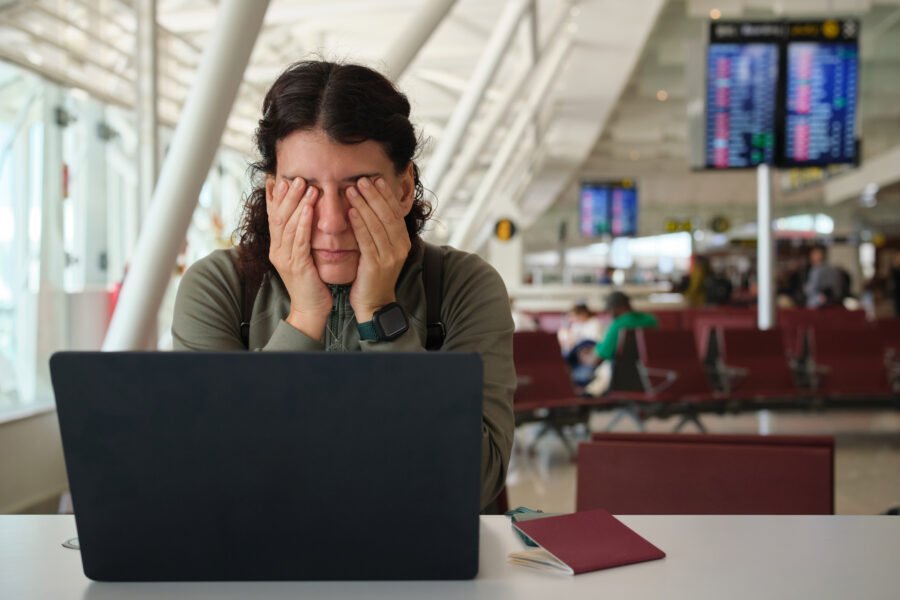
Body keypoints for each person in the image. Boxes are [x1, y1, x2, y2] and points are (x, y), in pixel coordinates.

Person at [171, 60, 515, 511]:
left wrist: (380, 313)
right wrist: (304, 317)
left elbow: (473, 484)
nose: (331, 223)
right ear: (273, 194)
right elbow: (212, 475)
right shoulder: (218, 287)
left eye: (359, 188)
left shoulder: (464, 287)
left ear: (404, 189)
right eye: (304, 189)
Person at [584, 291, 658, 396]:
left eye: (610, 310)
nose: (610, 313)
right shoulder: (651, 320)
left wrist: (585, 356)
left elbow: (598, 359)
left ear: (617, 308)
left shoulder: (618, 325)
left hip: (620, 377)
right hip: (651, 376)